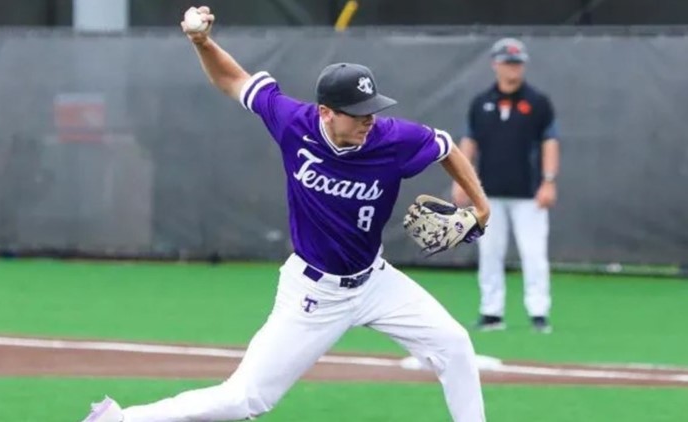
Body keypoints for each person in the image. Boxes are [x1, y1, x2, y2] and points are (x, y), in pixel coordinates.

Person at [81, 6, 491, 422]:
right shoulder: (294, 123)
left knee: (454, 345)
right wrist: (202, 42)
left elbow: (445, 147)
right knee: (243, 400)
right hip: (315, 293)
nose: (370, 118)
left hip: (376, 281)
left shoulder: (393, 139)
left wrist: (480, 206)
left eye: (372, 108)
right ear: (327, 112)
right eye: (358, 110)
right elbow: (234, 80)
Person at [452, 38, 560, 334]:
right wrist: (461, 180)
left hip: (528, 193)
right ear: (495, 64)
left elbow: (550, 142)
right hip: (487, 193)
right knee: (489, 253)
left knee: (534, 253)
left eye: (518, 62)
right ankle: (491, 312)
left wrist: (549, 182)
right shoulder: (481, 102)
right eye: (508, 62)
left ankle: (538, 312)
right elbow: (468, 143)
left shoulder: (538, 102)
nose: (513, 68)